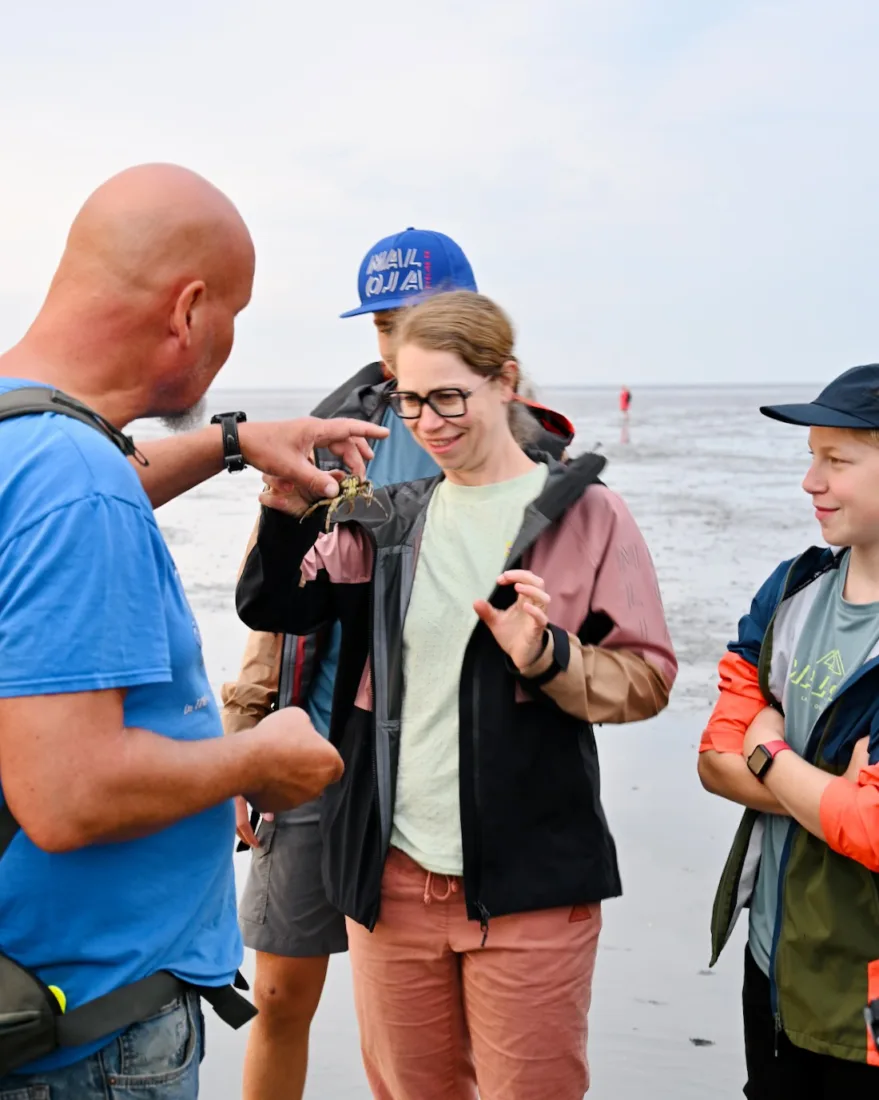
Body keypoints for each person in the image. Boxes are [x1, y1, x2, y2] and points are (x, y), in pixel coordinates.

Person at [0, 164, 388, 1098]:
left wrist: (230, 443)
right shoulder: (74, 485)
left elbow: (72, 502)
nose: (226, 346)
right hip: (88, 1036)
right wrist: (257, 758)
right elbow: (65, 793)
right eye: (233, 318)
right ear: (188, 310)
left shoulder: (29, 442)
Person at [236, 290, 676, 1100]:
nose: (428, 423)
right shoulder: (387, 518)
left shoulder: (585, 516)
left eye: (448, 397)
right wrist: (284, 502)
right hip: (392, 884)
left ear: (504, 381)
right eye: (409, 401)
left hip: (529, 889)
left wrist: (547, 658)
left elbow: (645, 676)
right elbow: (278, 608)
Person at [698, 364, 879, 1097]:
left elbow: (872, 827)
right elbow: (713, 759)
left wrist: (769, 753)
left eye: (836, 460)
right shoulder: (791, 590)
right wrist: (829, 792)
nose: (811, 481)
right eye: (810, 457)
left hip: (861, 993)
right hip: (772, 960)